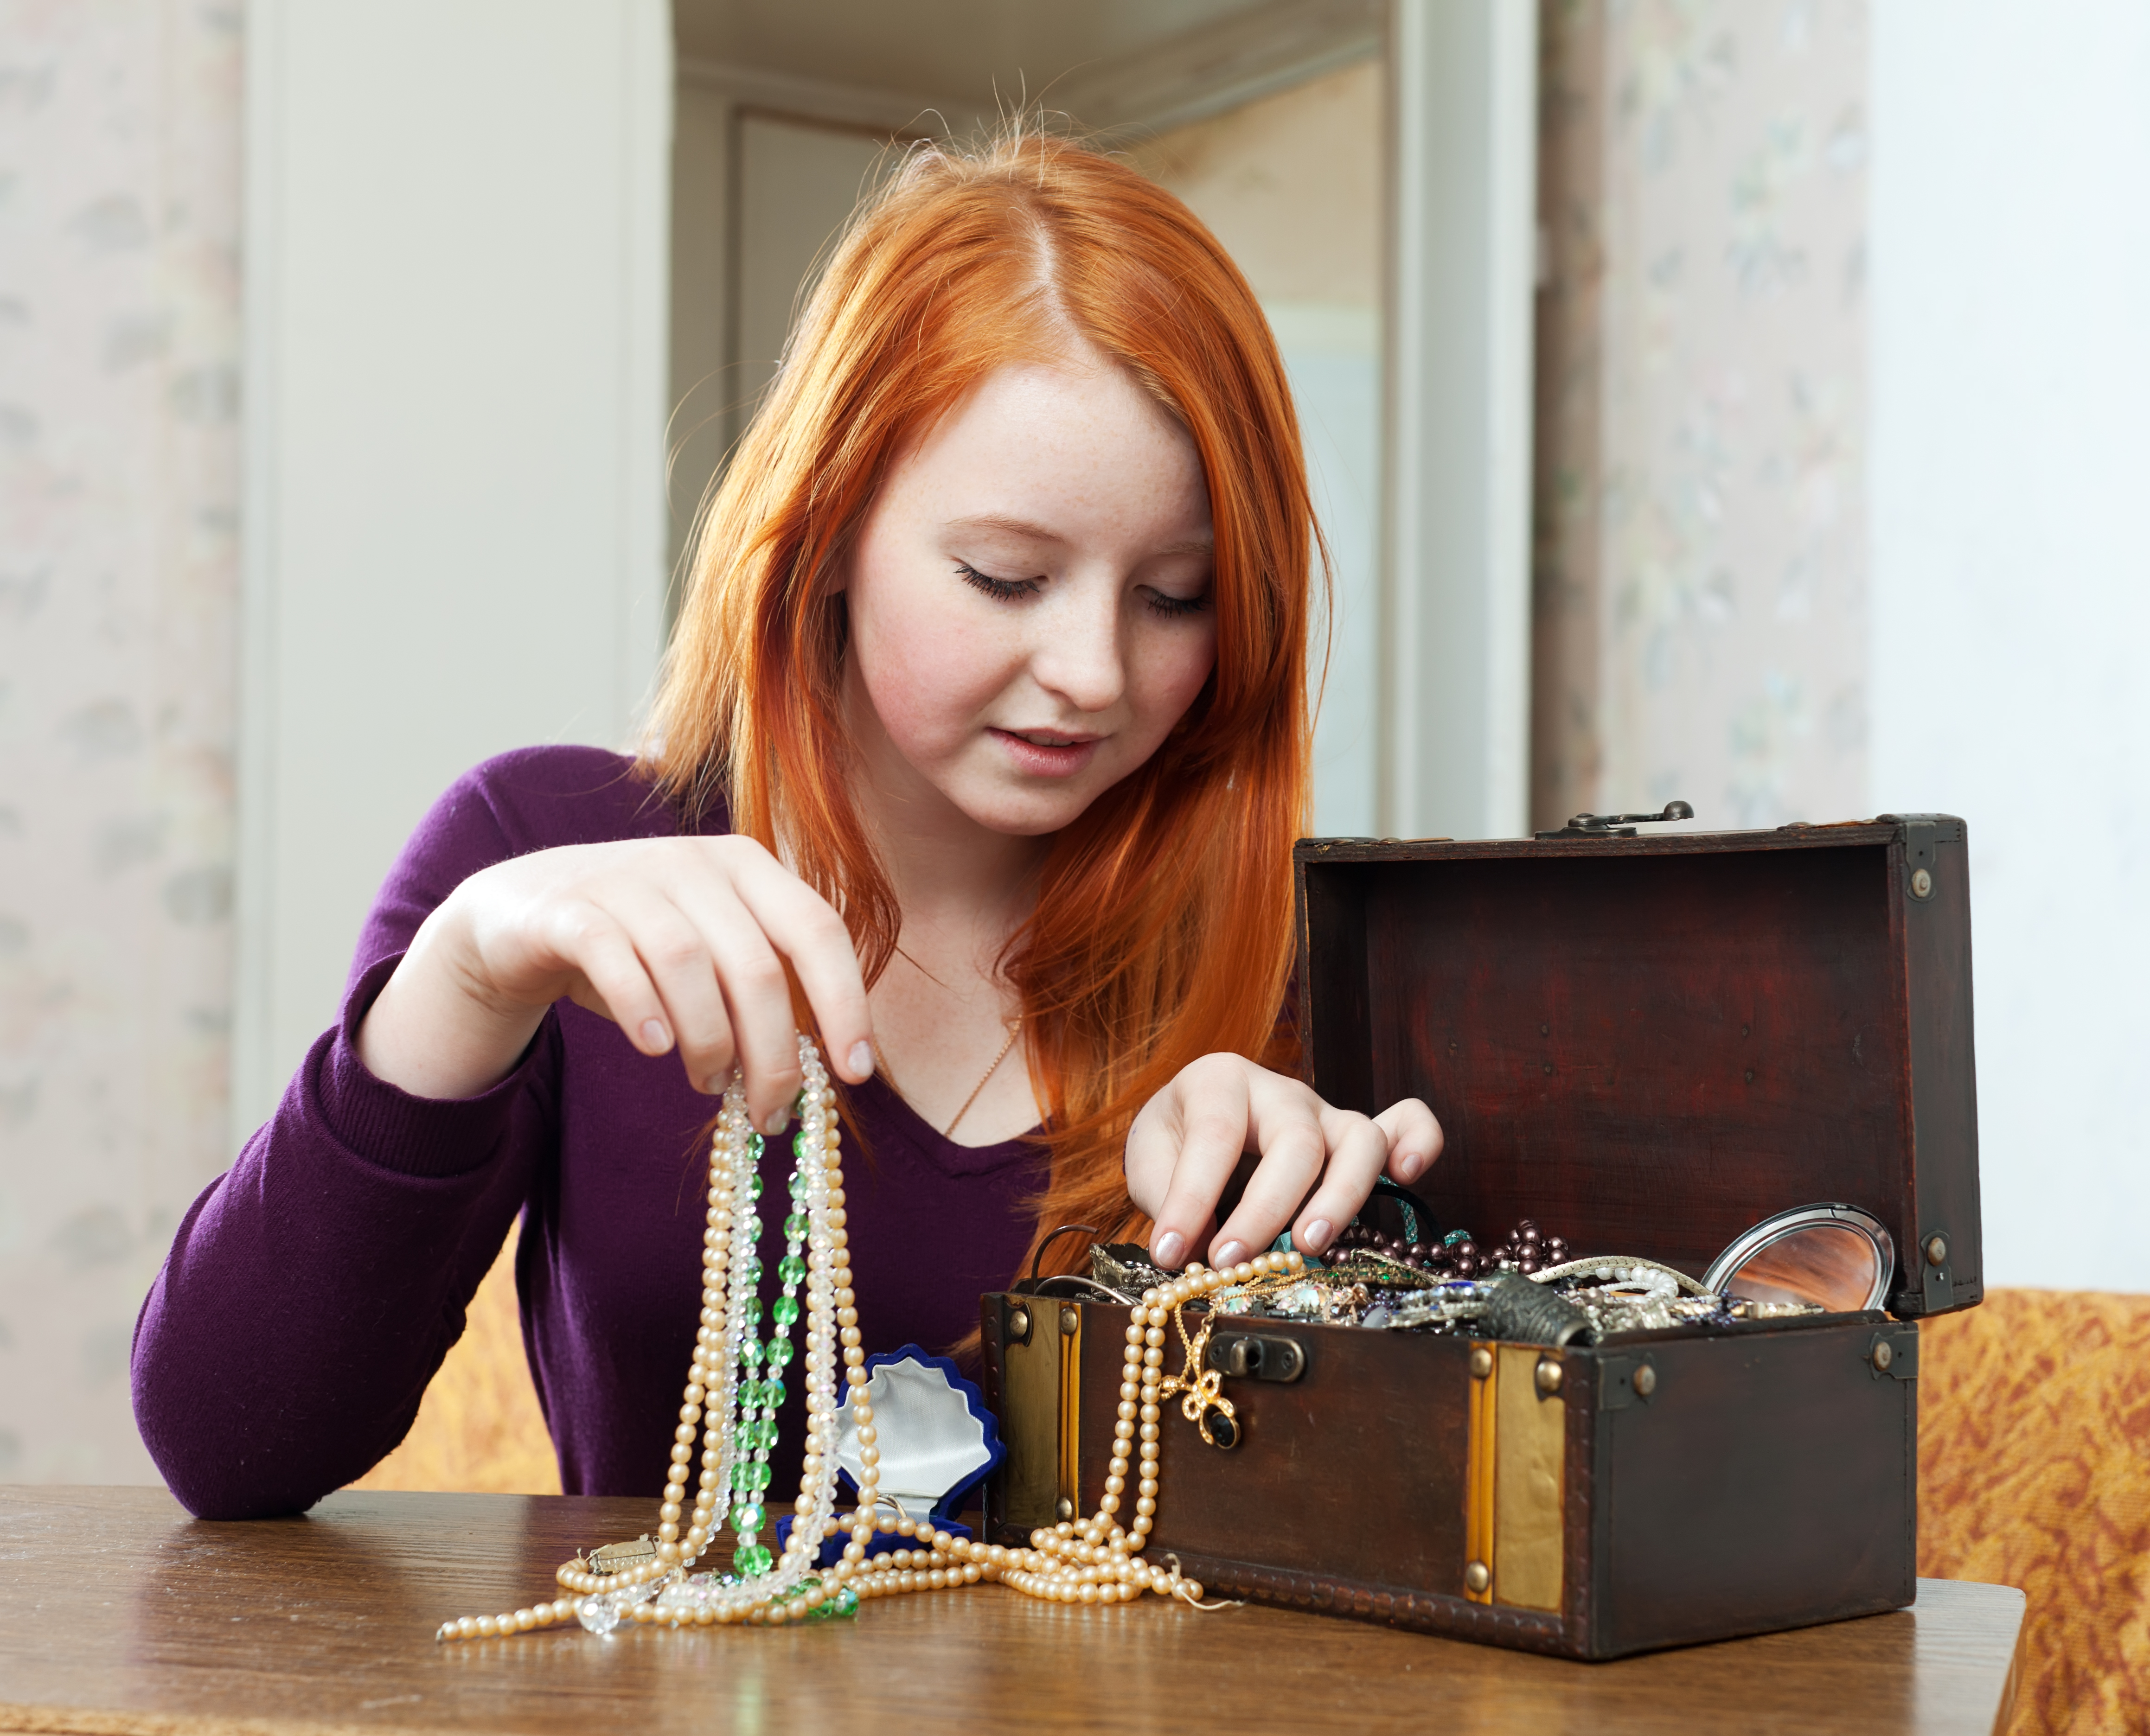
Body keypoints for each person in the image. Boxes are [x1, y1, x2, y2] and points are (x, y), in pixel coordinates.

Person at [132, 132, 1438, 1520]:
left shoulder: (1306, 963)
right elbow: (230, 1445)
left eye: (1175, 596)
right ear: (824, 533)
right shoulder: (541, 848)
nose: (1097, 674)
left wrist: (1334, 1250)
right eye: (1005, 578)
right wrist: (458, 986)